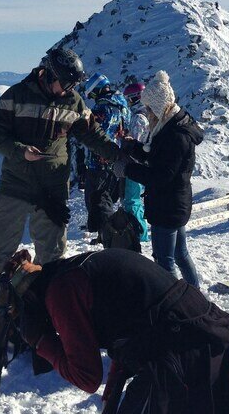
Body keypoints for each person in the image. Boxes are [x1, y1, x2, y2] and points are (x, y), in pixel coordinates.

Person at [0, 48, 125, 331]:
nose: (69, 89)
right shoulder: (16, 96)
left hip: (53, 187)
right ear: (49, 75)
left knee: (52, 250)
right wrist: (20, 151)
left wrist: (116, 154)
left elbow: (91, 133)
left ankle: (49, 305)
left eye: (73, 84)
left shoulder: (73, 102)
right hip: (17, 184)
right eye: (66, 83)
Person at [11, 248, 229, 414]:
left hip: (178, 347)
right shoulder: (75, 268)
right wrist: (119, 370)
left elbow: (86, 377)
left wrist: (42, 342)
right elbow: (129, 313)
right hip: (199, 330)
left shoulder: (60, 292)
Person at [114, 70, 203, 287]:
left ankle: (179, 307)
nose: (146, 112)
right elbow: (157, 159)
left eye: (148, 108)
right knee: (181, 255)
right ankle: (196, 296)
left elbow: (161, 176)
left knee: (165, 261)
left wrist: (127, 170)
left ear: (158, 107)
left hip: (168, 206)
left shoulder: (175, 136)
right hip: (175, 203)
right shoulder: (170, 126)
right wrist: (133, 147)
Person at [81, 73, 131, 240]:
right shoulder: (123, 107)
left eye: (93, 94)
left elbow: (92, 137)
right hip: (115, 162)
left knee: (97, 202)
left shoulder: (101, 109)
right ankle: (108, 236)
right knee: (107, 200)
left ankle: (109, 237)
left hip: (98, 163)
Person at [121, 82, 149, 241]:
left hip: (136, 165)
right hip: (142, 164)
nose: (128, 103)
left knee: (132, 201)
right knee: (134, 200)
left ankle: (140, 235)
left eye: (129, 100)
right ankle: (139, 233)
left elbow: (135, 143)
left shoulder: (138, 117)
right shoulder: (147, 114)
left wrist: (126, 142)